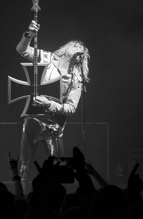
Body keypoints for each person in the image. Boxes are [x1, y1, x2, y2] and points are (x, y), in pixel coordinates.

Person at [15, 20, 90, 192]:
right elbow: (22, 50)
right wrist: (29, 35)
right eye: (76, 46)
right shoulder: (48, 58)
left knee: (57, 167)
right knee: (25, 164)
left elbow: (71, 108)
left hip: (54, 125)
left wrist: (50, 104)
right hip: (34, 119)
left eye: (82, 50)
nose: (79, 49)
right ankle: (22, 197)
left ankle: (54, 199)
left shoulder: (76, 79)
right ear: (67, 48)